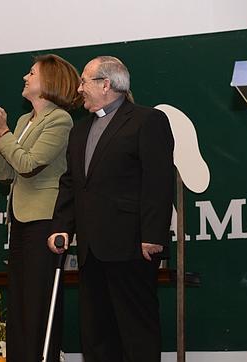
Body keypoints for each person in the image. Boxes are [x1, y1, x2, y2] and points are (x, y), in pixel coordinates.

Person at [48, 56, 174, 362]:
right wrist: (61, 226)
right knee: (96, 333)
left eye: (84, 81)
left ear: (106, 84)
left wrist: (154, 234)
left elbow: (158, 181)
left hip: (132, 245)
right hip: (92, 249)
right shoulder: (79, 130)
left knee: (136, 329)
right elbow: (72, 183)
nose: (78, 89)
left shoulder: (147, 120)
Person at [0, 54, 82, 362]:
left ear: (49, 82)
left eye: (32, 73)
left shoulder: (60, 120)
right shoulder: (26, 121)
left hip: (45, 222)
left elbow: (28, 165)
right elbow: (6, 173)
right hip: (21, 221)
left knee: (40, 305)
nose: (25, 78)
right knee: (21, 305)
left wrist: (5, 135)